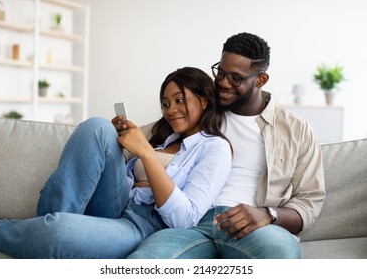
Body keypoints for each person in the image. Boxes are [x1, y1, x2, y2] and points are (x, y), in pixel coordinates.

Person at [0, 67, 232, 259]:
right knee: (98, 127)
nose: (170, 110)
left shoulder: (215, 148)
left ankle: (12, 230)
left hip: (142, 224)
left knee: (60, 230)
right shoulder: (162, 139)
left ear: (203, 100)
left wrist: (145, 153)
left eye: (179, 100)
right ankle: (49, 222)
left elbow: (184, 218)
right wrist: (119, 141)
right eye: (166, 104)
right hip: (117, 204)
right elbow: (116, 174)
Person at [127, 32, 326, 259]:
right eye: (220, 72)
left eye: (236, 78)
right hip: (189, 225)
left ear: (261, 79)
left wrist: (267, 214)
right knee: (142, 262)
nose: (223, 83)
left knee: (281, 253)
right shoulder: (202, 109)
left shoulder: (295, 130)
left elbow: (310, 201)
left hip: (250, 228)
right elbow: (139, 139)